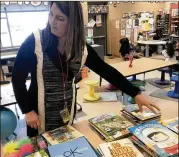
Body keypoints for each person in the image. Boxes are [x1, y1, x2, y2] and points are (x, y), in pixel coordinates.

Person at [12, 2, 160, 137]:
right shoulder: (35, 42)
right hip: (38, 117)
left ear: (73, 22)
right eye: (51, 14)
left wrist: (136, 93)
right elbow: (17, 79)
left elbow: (106, 71)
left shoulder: (81, 49)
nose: (52, 22)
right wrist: (28, 111)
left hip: (67, 112)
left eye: (60, 18)